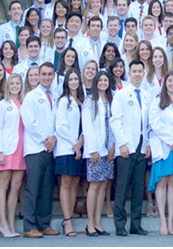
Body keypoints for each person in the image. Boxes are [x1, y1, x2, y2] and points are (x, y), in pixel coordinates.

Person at [111, 60, 152, 236]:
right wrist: (122, 144)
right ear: (129, 73)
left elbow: (149, 123)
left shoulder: (147, 96)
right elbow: (115, 121)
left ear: (144, 73)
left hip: (141, 147)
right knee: (122, 187)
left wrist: (148, 143)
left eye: (140, 71)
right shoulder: (121, 95)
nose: (137, 74)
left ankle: (136, 224)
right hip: (126, 148)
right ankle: (120, 225)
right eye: (134, 71)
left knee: (138, 188)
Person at [19, 62, 60, 238]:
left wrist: (54, 138)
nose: (46, 77)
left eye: (50, 74)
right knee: (33, 188)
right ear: (38, 76)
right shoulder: (31, 97)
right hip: (36, 148)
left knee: (46, 188)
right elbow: (30, 122)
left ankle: (44, 224)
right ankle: (29, 226)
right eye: (43, 74)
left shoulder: (56, 95)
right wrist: (46, 139)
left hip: (50, 148)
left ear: (53, 76)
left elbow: (59, 120)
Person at [149, 71, 173, 236]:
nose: (172, 83)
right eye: (169, 80)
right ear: (165, 83)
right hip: (164, 146)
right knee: (162, 182)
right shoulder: (158, 101)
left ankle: (171, 220)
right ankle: (162, 221)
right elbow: (155, 123)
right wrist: (171, 139)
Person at [82, 71, 115, 237]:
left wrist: (113, 146)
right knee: (94, 185)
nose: (103, 82)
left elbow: (113, 124)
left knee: (103, 184)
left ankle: (97, 222)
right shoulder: (90, 100)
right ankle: (90, 223)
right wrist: (93, 149)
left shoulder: (110, 99)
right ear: (95, 82)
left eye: (105, 80)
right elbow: (87, 125)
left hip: (108, 149)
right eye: (100, 80)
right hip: (95, 149)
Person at [0, 74, 25, 238]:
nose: (15, 86)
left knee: (16, 186)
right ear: (7, 86)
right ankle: (3, 223)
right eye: (12, 83)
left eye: (17, 83)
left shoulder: (24, 103)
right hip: (6, 149)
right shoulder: (2, 104)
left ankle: (11, 224)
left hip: (21, 148)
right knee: (4, 184)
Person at [53, 69, 85, 237]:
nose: (73, 82)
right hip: (66, 147)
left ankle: (70, 216)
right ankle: (67, 221)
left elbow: (86, 124)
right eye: (70, 79)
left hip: (79, 145)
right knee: (66, 183)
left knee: (75, 183)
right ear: (66, 82)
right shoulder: (63, 101)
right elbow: (61, 126)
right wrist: (75, 145)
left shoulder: (82, 100)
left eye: (76, 79)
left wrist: (81, 141)